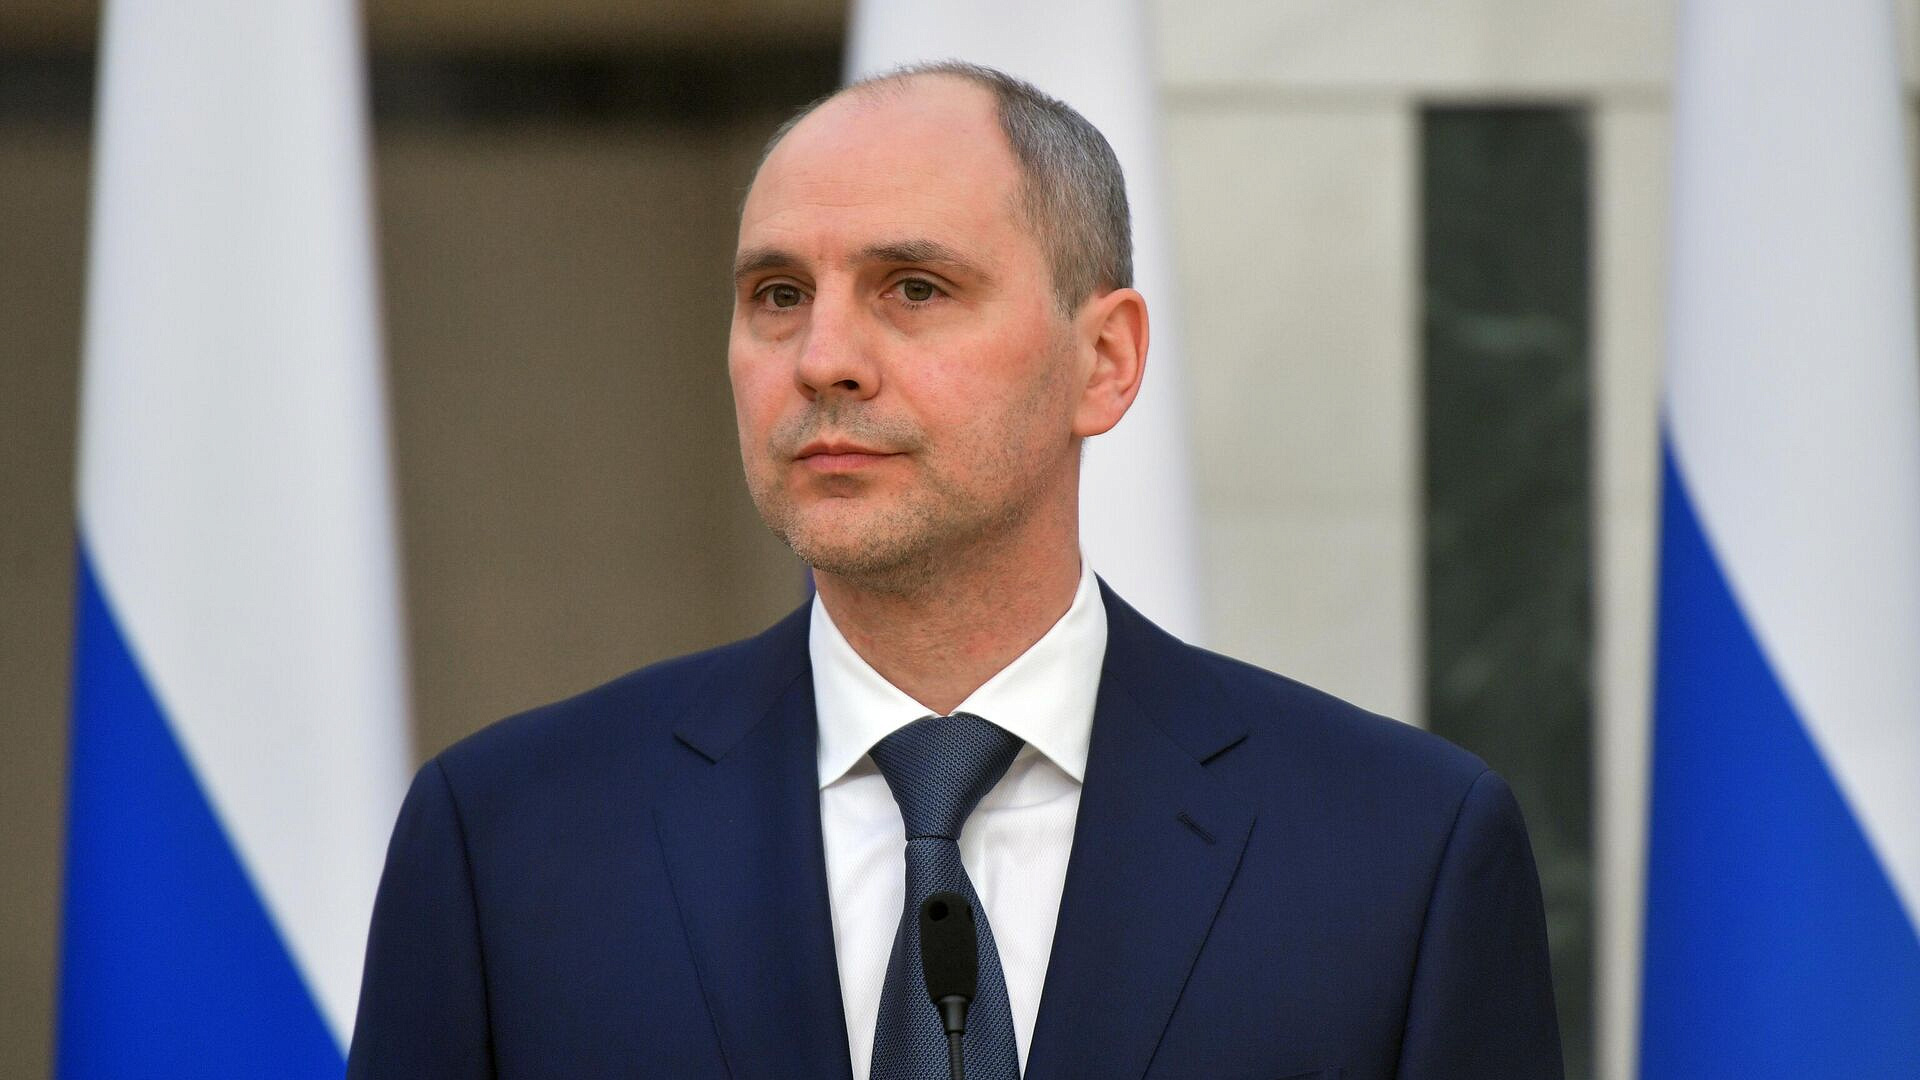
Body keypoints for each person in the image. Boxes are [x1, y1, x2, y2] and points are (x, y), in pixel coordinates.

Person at [346, 62, 1562, 1080]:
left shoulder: (1397, 856)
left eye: (914, 288)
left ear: (1105, 360)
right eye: (778, 294)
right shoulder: (511, 844)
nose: (823, 357)